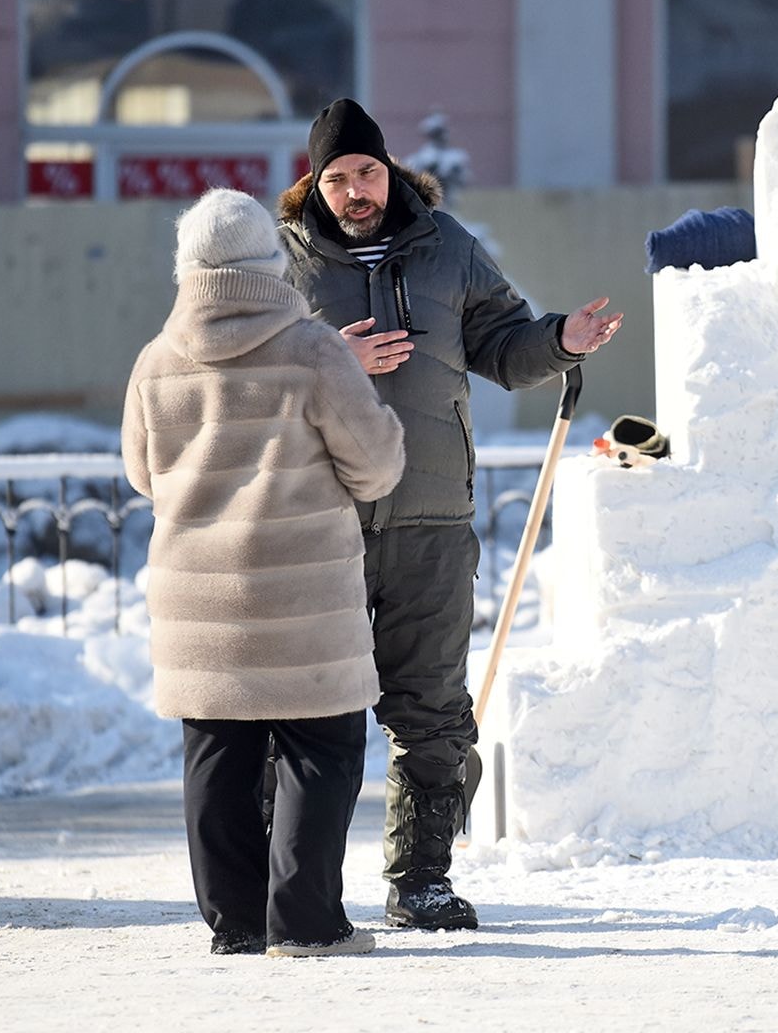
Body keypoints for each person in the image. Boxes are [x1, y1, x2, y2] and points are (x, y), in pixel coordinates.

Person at [276, 98, 622, 930]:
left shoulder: (448, 248)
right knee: (301, 708)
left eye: (367, 172)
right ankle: (288, 887)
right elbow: (241, 375)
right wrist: (334, 358)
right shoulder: (278, 264)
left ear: (390, 170)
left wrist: (561, 342)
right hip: (320, 517)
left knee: (433, 707)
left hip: (431, 515)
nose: (357, 191)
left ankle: (420, 877)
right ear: (312, 187)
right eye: (338, 179)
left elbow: (504, 344)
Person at [122, 188, 406, 958]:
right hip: (302, 597)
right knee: (322, 750)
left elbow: (145, 476)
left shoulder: (155, 362)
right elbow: (376, 466)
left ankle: (238, 923)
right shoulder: (313, 351)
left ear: (187, 269)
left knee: (217, 753)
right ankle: (308, 925)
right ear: (268, 264)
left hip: (197, 598)